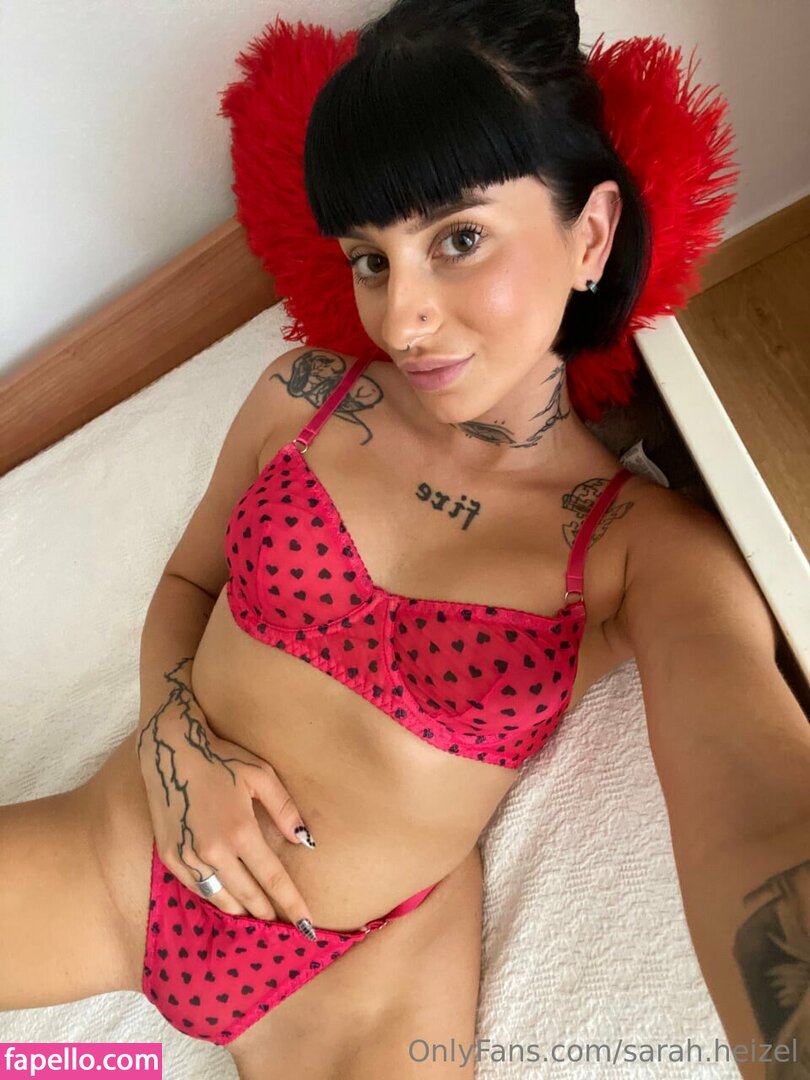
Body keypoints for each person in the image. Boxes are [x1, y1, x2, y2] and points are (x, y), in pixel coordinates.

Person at [4, 2, 806, 1079]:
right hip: (122, 850)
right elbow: (191, 582)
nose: (402, 319)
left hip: (359, 984)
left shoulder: (640, 554)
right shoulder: (303, 398)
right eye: (370, 259)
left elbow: (759, 814)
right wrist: (174, 748)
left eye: (458, 239)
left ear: (590, 235)